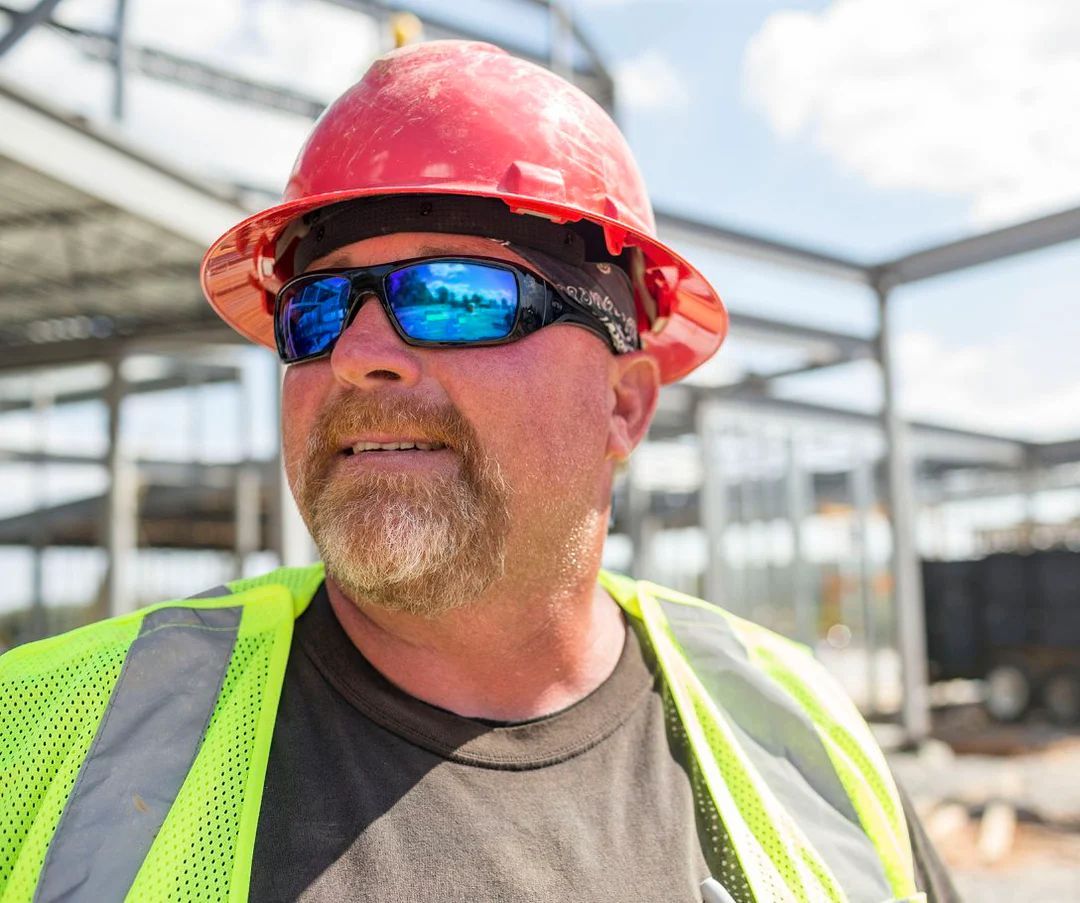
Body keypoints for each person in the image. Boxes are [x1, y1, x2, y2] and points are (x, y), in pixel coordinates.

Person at [0, 40, 955, 903]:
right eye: (314, 311)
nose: (356, 354)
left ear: (624, 404)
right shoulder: (42, 738)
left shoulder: (802, 743)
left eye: (455, 295)